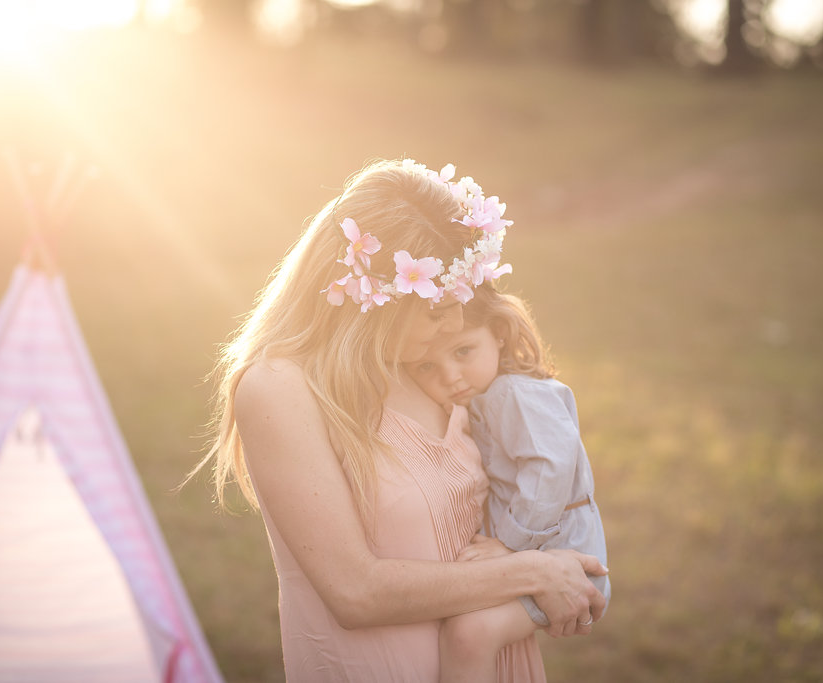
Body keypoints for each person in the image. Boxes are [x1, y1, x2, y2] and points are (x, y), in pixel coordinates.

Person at [188, 158, 607, 683]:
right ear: (374, 301)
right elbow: (355, 592)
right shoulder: (280, 388)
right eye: (436, 309)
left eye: (459, 301)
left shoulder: (429, 368)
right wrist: (532, 570)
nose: (455, 323)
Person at [403, 286, 610, 683]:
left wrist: (509, 545)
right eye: (426, 367)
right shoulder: (487, 396)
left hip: (562, 551)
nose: (451, 376)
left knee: (469, 633)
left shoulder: (515, 392)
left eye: (463, 351)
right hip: (537, 548)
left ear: (499, 333)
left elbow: (550, 468)